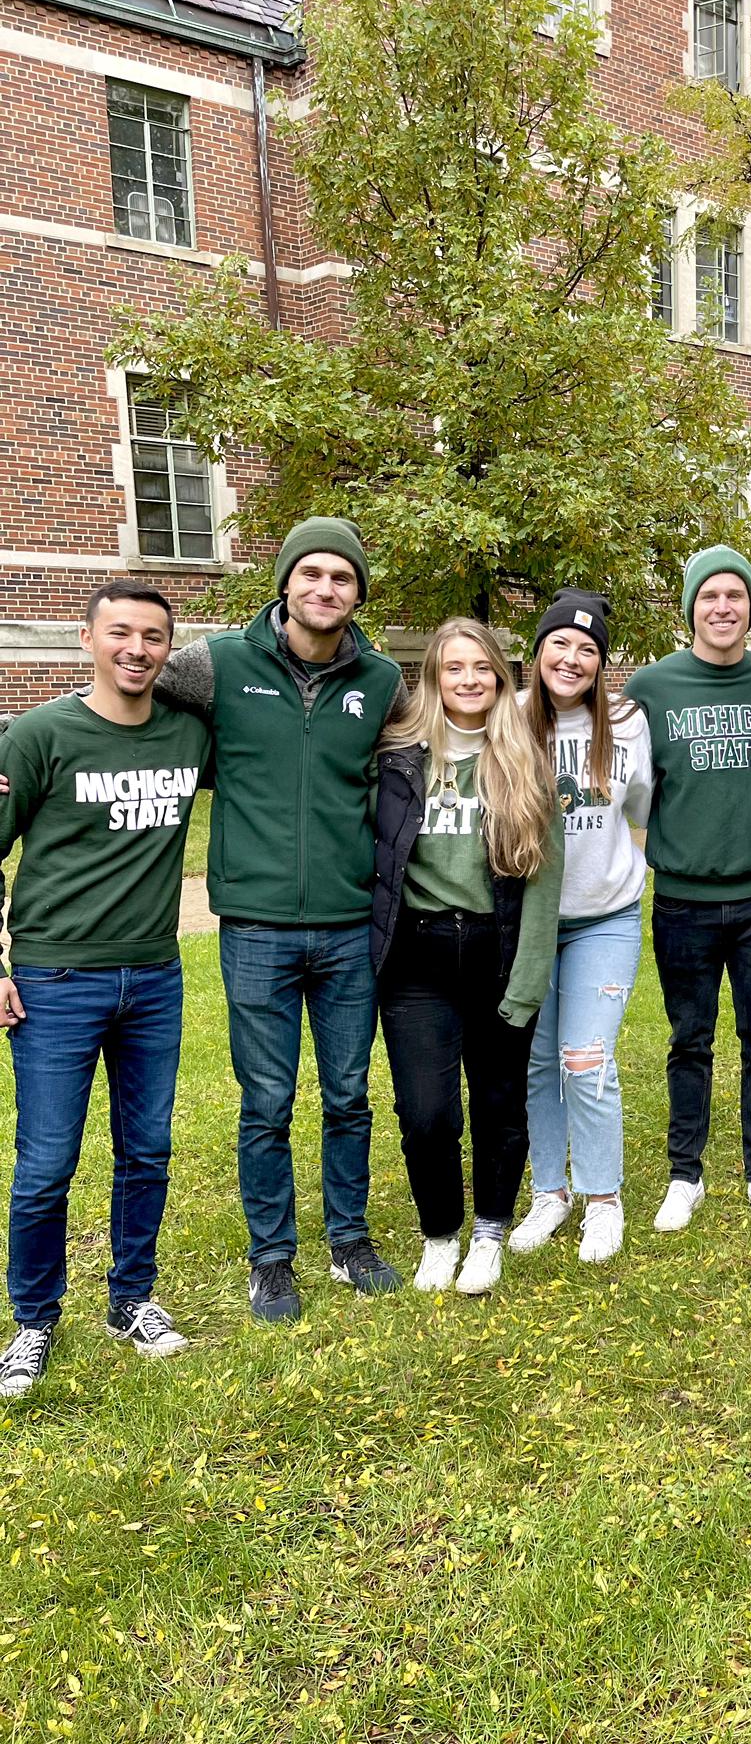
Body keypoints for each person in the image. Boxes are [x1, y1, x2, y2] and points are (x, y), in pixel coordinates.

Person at [154, 517, 407, 1323]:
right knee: (265, 1099)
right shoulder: (217, 664)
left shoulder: (383, 680)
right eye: (313, 575)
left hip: (345, 925)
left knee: (348, 1093)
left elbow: (417, 771)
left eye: (342, 578)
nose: (326, 589)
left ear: (358, 593)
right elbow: (116, 694)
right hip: (256, 926)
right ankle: (272, 1259)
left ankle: (350, 1239)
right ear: (286, 584)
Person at [0, 584, 210, 1398]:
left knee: (146, 1150)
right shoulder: (40, 734)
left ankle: (132, 1300)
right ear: (86, 637)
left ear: (169, 649)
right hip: (55, 980)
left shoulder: (190, 735)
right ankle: (32, 1321)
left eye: (153, 636)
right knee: (46, 1162)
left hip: (154, 976)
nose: (136, 648)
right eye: (119, 632)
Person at [371, 620, 563, 1294]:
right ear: (434, 678)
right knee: (426, 1113)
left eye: (483, 668)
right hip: (416, 959)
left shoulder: (524, 759)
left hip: (497, 950)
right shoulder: (399, 757)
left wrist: (529, 981)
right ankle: (439, 1233)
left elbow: (545, 883)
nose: (470, 680)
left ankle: (488, 1232)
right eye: (455, 668)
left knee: (499, 1103)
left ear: (500, 678)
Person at [624, 546, 751, 1232]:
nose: (722, 607)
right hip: (684, 901)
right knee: (689, 1040)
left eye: (735, 596)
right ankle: (684, 1175)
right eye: (709, 596)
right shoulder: (654, 687)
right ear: (691, 607)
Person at [509, 591, 653, 1266]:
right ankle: (550, 1191)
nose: (572, 658)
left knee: (586, 1059)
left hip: (606, 919)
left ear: (601, 664)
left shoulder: (626, 722)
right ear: (538, 651)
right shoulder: (507, 718)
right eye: (559, 644)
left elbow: (644, 807)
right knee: (538, 1061)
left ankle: (603, 1199)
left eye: (588, 649)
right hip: (529, 921)